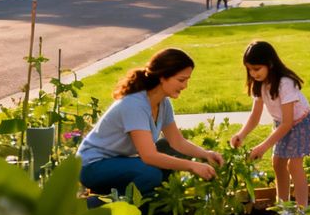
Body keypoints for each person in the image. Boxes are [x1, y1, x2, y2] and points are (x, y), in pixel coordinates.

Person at [77, 48, 223, 197]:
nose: (185, 86)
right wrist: (192, 166)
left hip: (117, 161)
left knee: (167, 148)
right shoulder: (134, 104)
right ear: (162, 77)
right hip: (92, 166)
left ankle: (147, 197)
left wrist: (206, 154)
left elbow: (176, 142)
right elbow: (148, 156)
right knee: (150, 174)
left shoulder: (163, 103)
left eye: (187, 80)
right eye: (181, 80)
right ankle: (106, 203)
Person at [230, 41, 310, 215]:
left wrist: (263, 146)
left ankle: (302, 213)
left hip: (299, 124)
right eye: (249, 70)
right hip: (283, 125)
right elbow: (255, 116)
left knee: (293, 165)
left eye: (257, 68)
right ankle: (284, 210)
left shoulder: (285, 84)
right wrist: (242, 134)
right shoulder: (260, 84)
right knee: (277, 162)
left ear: (270, 64)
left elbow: (288, 122)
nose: (253, 74)